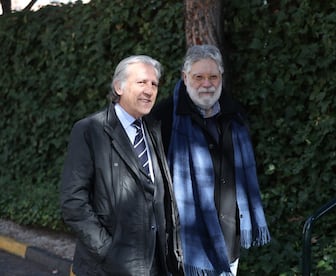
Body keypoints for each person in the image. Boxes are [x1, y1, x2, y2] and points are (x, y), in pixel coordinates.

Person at [151, 45, 271, 275]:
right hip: (183, 246)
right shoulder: (163, 118)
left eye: (213, 77)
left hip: (229, 240)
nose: (207, 84)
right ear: (185, 78)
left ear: (221, 78)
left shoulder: (235, 116)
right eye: (199, 77)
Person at [60, 55, 184, 276]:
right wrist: (109, 251)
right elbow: (73, 202)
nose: (149, 90)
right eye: (141, 82)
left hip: (154, 265)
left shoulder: (153, 130)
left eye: (154, 84)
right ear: (118, 87)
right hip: (107, 268)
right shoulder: (90, 130)